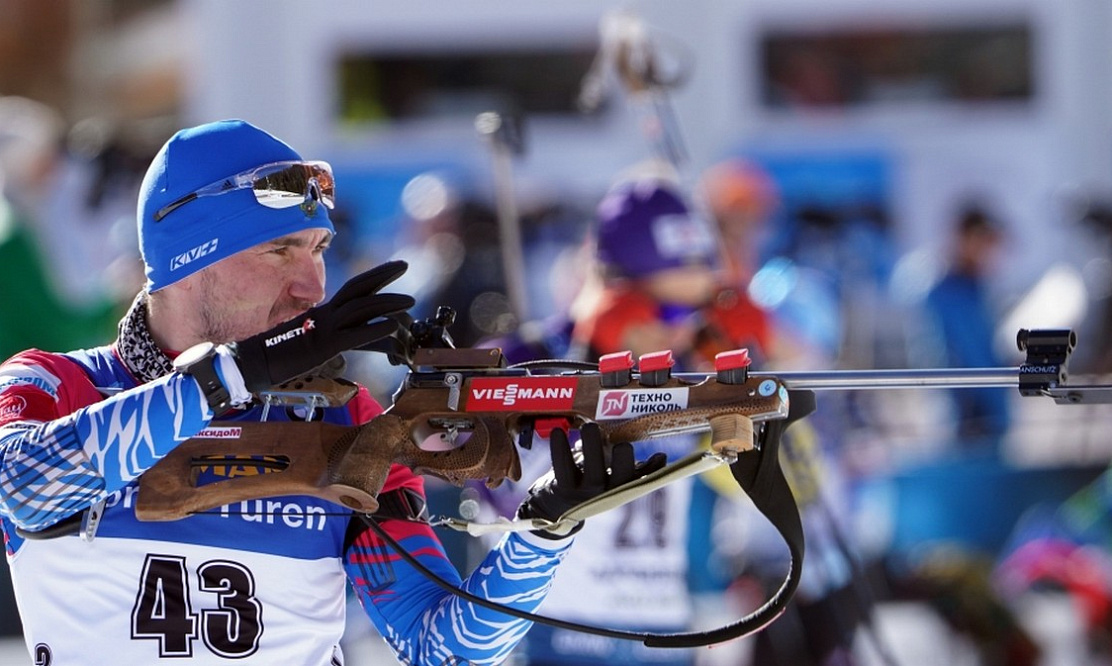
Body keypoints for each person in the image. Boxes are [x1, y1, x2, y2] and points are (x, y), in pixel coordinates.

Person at [0, 119, 659, 665]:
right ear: (189, 257)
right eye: (280, 250)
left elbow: (441, 646)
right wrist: (239, 373)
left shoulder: (345, 419)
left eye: (319, 250)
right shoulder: (53, 385)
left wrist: (544, 533)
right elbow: (23, 488)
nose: (313, 288)